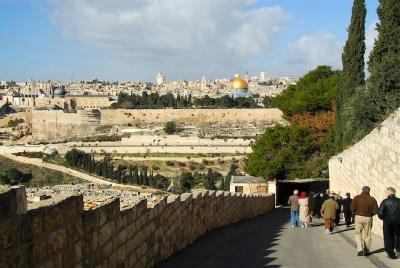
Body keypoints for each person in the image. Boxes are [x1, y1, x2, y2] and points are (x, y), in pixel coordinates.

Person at [350, 186, 379, 256]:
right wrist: (370, 214)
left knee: (358, 233)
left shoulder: (357, 197)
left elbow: (352, 208)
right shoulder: (372, 199)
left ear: (362, 190)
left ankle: (360, 249)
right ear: (369, 191)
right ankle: (366, 250)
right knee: (367, 234)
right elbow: (376, 211)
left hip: (358, 217)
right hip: (368, 218)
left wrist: (355, 212)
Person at [378, 187, 400, 259]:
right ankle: (398, 251)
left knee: (388, 237)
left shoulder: (385, 201)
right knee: (398, 236)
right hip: (398, 222)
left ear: (390, 192)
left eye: (386, 192)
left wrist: (383, 218)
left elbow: (380, 214)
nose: (385, 193)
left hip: (388, 222)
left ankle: (391, 254)